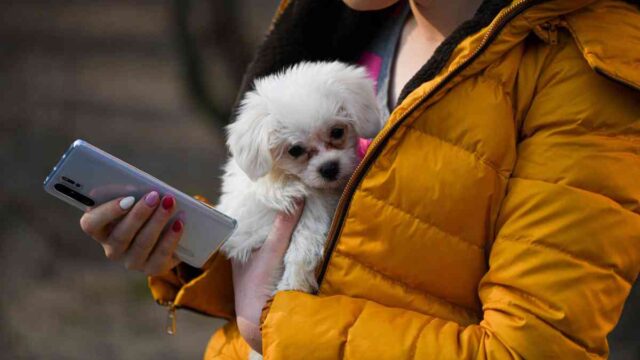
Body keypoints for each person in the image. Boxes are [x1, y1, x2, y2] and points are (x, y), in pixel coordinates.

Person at [79, 0, 640, 358]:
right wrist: (183, 254)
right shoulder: (335, 28)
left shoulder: (576, 71)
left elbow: (531, 350)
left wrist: (273, 324)